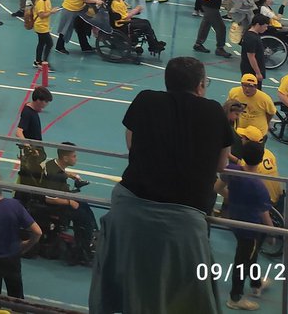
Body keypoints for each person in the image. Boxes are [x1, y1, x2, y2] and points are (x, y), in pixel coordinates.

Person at [90, 57, 232, 314]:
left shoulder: (145, 99)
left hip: (130, 210)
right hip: (184, 221)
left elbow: (132, 144)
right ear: (201, 85)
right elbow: (222, 164)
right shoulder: (215, 112)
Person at [217, 140, 274, 310]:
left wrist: (233, 198)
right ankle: (235, 298)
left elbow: (218, 189)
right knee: (242, 261)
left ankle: (256, 284)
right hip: (250, 230)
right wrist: (271, 233)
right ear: (261, 158)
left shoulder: (232, 171)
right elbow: (265, 216)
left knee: (250, 256)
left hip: (235, 221)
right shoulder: (259, 187)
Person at [0, 176, 43, 299]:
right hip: (12, 258)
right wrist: (27, 245)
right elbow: (38, 232)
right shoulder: (15, 205)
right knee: (16, 298)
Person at [39, 143, 97, 266]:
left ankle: (91, 234)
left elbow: (60, 173)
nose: (76, 158)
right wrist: (70, 202)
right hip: (55, 206)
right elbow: (49, 199)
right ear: (65, 158)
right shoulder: (55, 176)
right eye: (74, 156)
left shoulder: (53, 163)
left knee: (85, 205)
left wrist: (71, 175)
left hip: (63, 196)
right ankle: (82, 251)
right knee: (83, 217)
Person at [14, 86, 53, 187]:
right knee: (30, 177)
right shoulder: (28, 112)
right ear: (39, 101)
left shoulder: (31, 108)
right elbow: (18, 132)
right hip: (33, 152)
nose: (47, 104)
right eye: (46, 101)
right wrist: (29, 148)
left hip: (36, 148)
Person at [238, 13, 270, 88]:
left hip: (250, 68)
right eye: (265, 26)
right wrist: (258, 73)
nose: (266, 29)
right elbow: (251, 57)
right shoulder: (251, 38)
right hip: (251, 70)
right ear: (258, 25)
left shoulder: (251, 34)